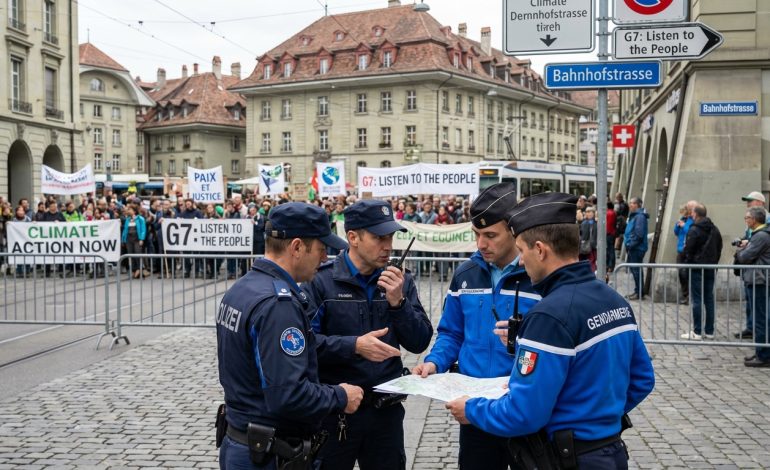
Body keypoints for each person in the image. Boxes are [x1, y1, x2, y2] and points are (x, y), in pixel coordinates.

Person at [445, 192, 655, 470]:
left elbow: (524, 413)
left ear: (541, 250)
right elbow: (641, 379)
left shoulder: (547, 315)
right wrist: (598, 417)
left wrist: (470, 409)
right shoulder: (612, 299)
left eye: (522, 251)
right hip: (609, 451)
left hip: (567, 456)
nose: (520, 261)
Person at [216, 202, 364, 469]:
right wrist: (340, 396)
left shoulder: (243, 288)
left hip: (241, 438)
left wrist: (352, 345)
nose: (324, 259)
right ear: (296, 247)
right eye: (321, 249)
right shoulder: (277, 304)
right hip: (268, 451)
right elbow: (288, 394)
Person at [412, 183, 540, 470]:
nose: (481, 244)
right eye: (477, 235)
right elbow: (452, 332)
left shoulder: (537, 275)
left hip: (520, 404)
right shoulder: (466, 274)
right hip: (475, 408)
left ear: (513, 230)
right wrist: (434, 363)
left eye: (490, 235)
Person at [302, 200, 432, 470]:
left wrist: (399, 303)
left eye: (391, 237)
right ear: (353, 238)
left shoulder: (400, 280)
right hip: (337, 410)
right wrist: (354, 346)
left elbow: (419, 340)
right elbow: (305, 347)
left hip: (385, 412)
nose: (388, 245)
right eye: (378, 237)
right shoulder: (321, 281)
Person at [680, 204, 722, 340]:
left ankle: (697, 332)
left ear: (695, 214)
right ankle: (709, 331)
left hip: (697, 268)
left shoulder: (694, 230)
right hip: (710, 268)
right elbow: (719, 247)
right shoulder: (715, 229)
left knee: (697, 299)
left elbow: (688, 250)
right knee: (708, 298)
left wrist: (687, 262)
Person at [735, 207, 770, 367]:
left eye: (747, 217)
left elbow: (745, 257)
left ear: (754, 220)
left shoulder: (761, 236)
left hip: (759, 281)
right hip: (756, 280)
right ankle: (760, 351)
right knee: (759, 318)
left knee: (761, 319)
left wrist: (740, 251)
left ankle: (764, 355)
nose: (746, 220)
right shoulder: (758, 236)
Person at [624, 197, 649, 300]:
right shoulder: (635, 216)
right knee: (636, 270)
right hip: (635, 247)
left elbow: (639, 234)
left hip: (636, 248)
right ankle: (638, 291)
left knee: (636, 271)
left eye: (632, 203)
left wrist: (630, 244)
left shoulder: (639, 217)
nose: (630, 205)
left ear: (638, 205)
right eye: (630, 203)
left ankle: (639, 292)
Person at [673, 201, 696, 305]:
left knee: (687, 274)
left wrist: (684, 226)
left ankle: (689, 296)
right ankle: (685, 294)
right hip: (680, 250)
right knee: (681, 274)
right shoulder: (683, 219)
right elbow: (676, 232)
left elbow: (691, 232)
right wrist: (678, 226)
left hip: (688, 251)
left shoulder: (693, 221)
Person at [122, 204, 149, 279]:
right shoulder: (127, 219)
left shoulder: (140, 219)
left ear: (134, 211)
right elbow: (125, 230)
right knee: (131, 254)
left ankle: (139, 269)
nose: (128, 211)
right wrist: (123, 239)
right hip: (129, 239)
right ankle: (134, 270)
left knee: (138, 253)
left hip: (137, 239)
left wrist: (141, 239)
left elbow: (143, 229)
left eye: (129, 209)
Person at [579, 206, 598, 272]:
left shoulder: (595, 223)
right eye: (586, 212)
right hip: (586, 247)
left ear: (593, 213)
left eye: (589, 212)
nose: (587, 213)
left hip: (591, 247)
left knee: (591, 263)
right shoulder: (584, 222)